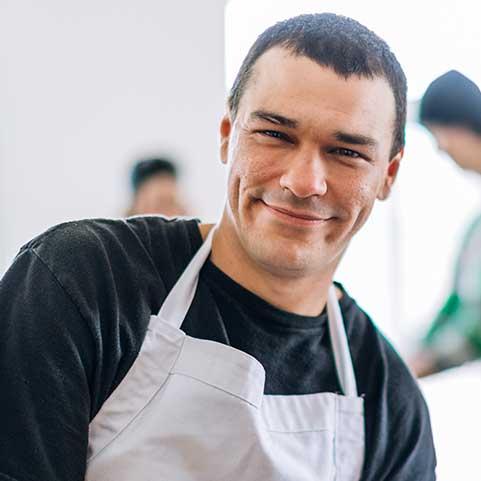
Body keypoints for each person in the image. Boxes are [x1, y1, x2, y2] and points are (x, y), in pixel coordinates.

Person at [0, 13, 436, 481]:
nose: (304, 182)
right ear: (228, 135)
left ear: (387, 176)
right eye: (275, 134)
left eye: (347, 152)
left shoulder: (390, 401)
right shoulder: (83, 284)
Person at [410, 70, 481, 377]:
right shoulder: (474, 229)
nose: (441, 148)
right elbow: (456, 304)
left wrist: (430, 360)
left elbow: (474, 317)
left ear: (459, 125)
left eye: (437, 133)